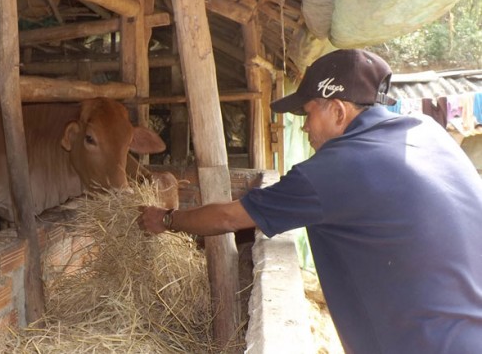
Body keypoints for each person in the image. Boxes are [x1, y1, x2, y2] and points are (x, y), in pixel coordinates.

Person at [137, 49, 482, 353]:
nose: (304, 130)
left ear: (337, 110)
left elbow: (228, 218)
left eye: (308, 114)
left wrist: (167, 220)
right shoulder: (427, 131)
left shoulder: (334, 169)